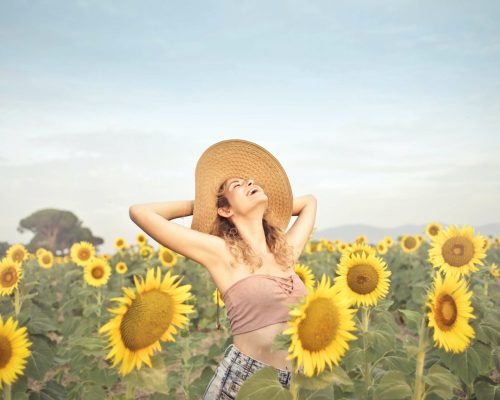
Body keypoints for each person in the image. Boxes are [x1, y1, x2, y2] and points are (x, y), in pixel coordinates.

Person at [129, 139, 317, 399]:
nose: (250, 183)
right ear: (225, 209)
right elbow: (141, 212)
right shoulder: (221, 252)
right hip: (243, 381)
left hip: (291, 384)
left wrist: (268, 204)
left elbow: (309, 202)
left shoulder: (284, 252)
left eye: (251, 181)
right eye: (237, 185)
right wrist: (203, 206)